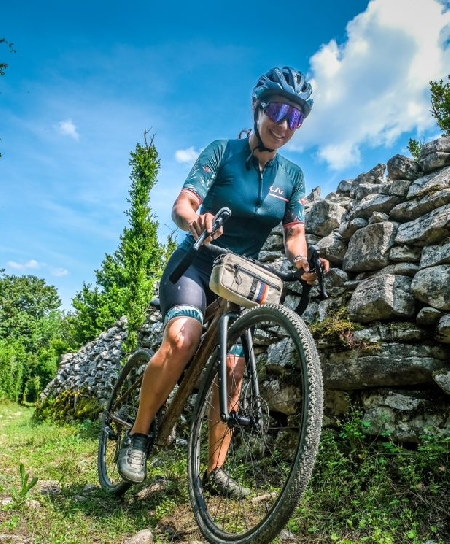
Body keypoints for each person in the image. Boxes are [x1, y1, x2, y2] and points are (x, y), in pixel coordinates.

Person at [117, 65, 329, 496]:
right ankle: (138, 437)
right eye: (277, 110)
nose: (284, 125)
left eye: (296, 118)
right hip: (196, 263)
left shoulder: (292, 177)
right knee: (183, 338)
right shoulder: (221, 152)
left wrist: (305, 264)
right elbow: (183, 204)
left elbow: (294, 235)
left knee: (233, 371)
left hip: (238, 278)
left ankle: (215, 470)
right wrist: (196, 221)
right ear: (257, 107)